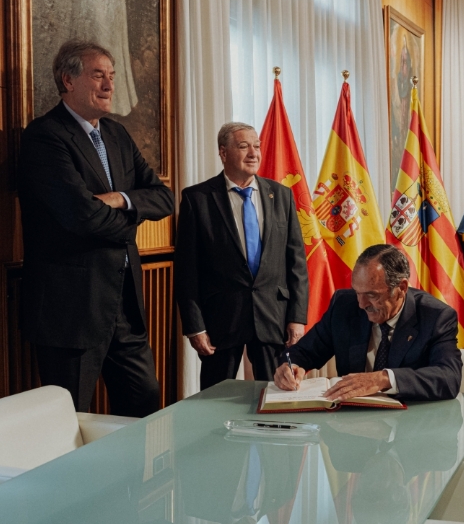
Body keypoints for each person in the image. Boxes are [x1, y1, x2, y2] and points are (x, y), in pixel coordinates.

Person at [18, 40, 174, 417]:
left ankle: (127, 480)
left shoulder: (116, 135)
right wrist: (130, 222)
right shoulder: (45, 136)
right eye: (98, 75)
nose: (108, 85)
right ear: (68, 80)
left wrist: (120, 199)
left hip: (124, 307)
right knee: (68, 419)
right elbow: (81, 216)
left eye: (112, 76)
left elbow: (164, 198)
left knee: (144, 404)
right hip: (71, 310)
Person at [175, 122, 308, 389]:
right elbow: (186, 270)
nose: (253, 153)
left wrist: (297, 318)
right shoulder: (197, 198)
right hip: (220, 319)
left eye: (256, 146)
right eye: (244, 146)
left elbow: (296, 263)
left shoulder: (281, 195)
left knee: (275, 395)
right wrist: (195, 327)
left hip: (273, 317)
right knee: (215, 401)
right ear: (223, 153)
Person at [274, 244, 462, 401]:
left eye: (372, 295)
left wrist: (383, 379)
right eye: (357, 292)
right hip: (352, 424)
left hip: (409, 426)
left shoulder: (435, 316)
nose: (361, 304)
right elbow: (303, 352)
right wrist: (289, 367)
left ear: (401, 288)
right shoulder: (344, 306)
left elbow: (449, 377)